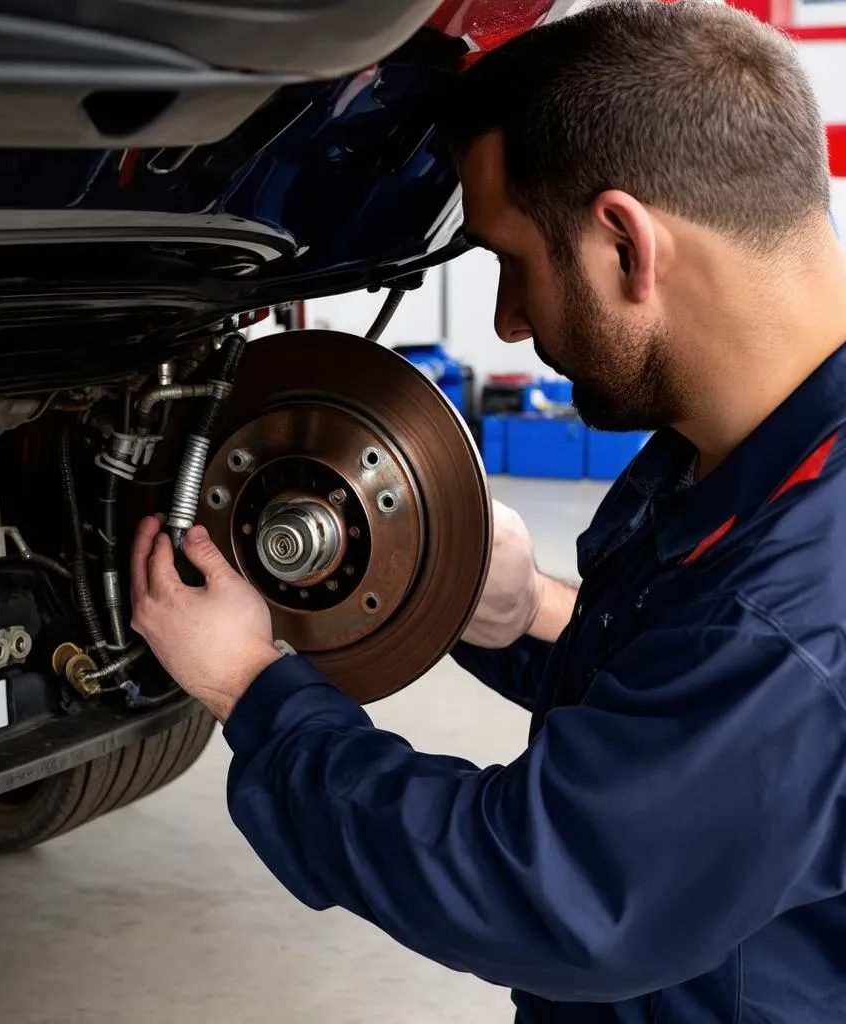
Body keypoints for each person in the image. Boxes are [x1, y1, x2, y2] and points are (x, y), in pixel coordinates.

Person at [130, 2, 846, 1020]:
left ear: (623, 245)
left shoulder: (795, 604)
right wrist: (528, 616)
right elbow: (681, 715)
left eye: (511, 262)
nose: (508, 318)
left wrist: (254, 689)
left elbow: (544, 890)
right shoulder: (741, 460)